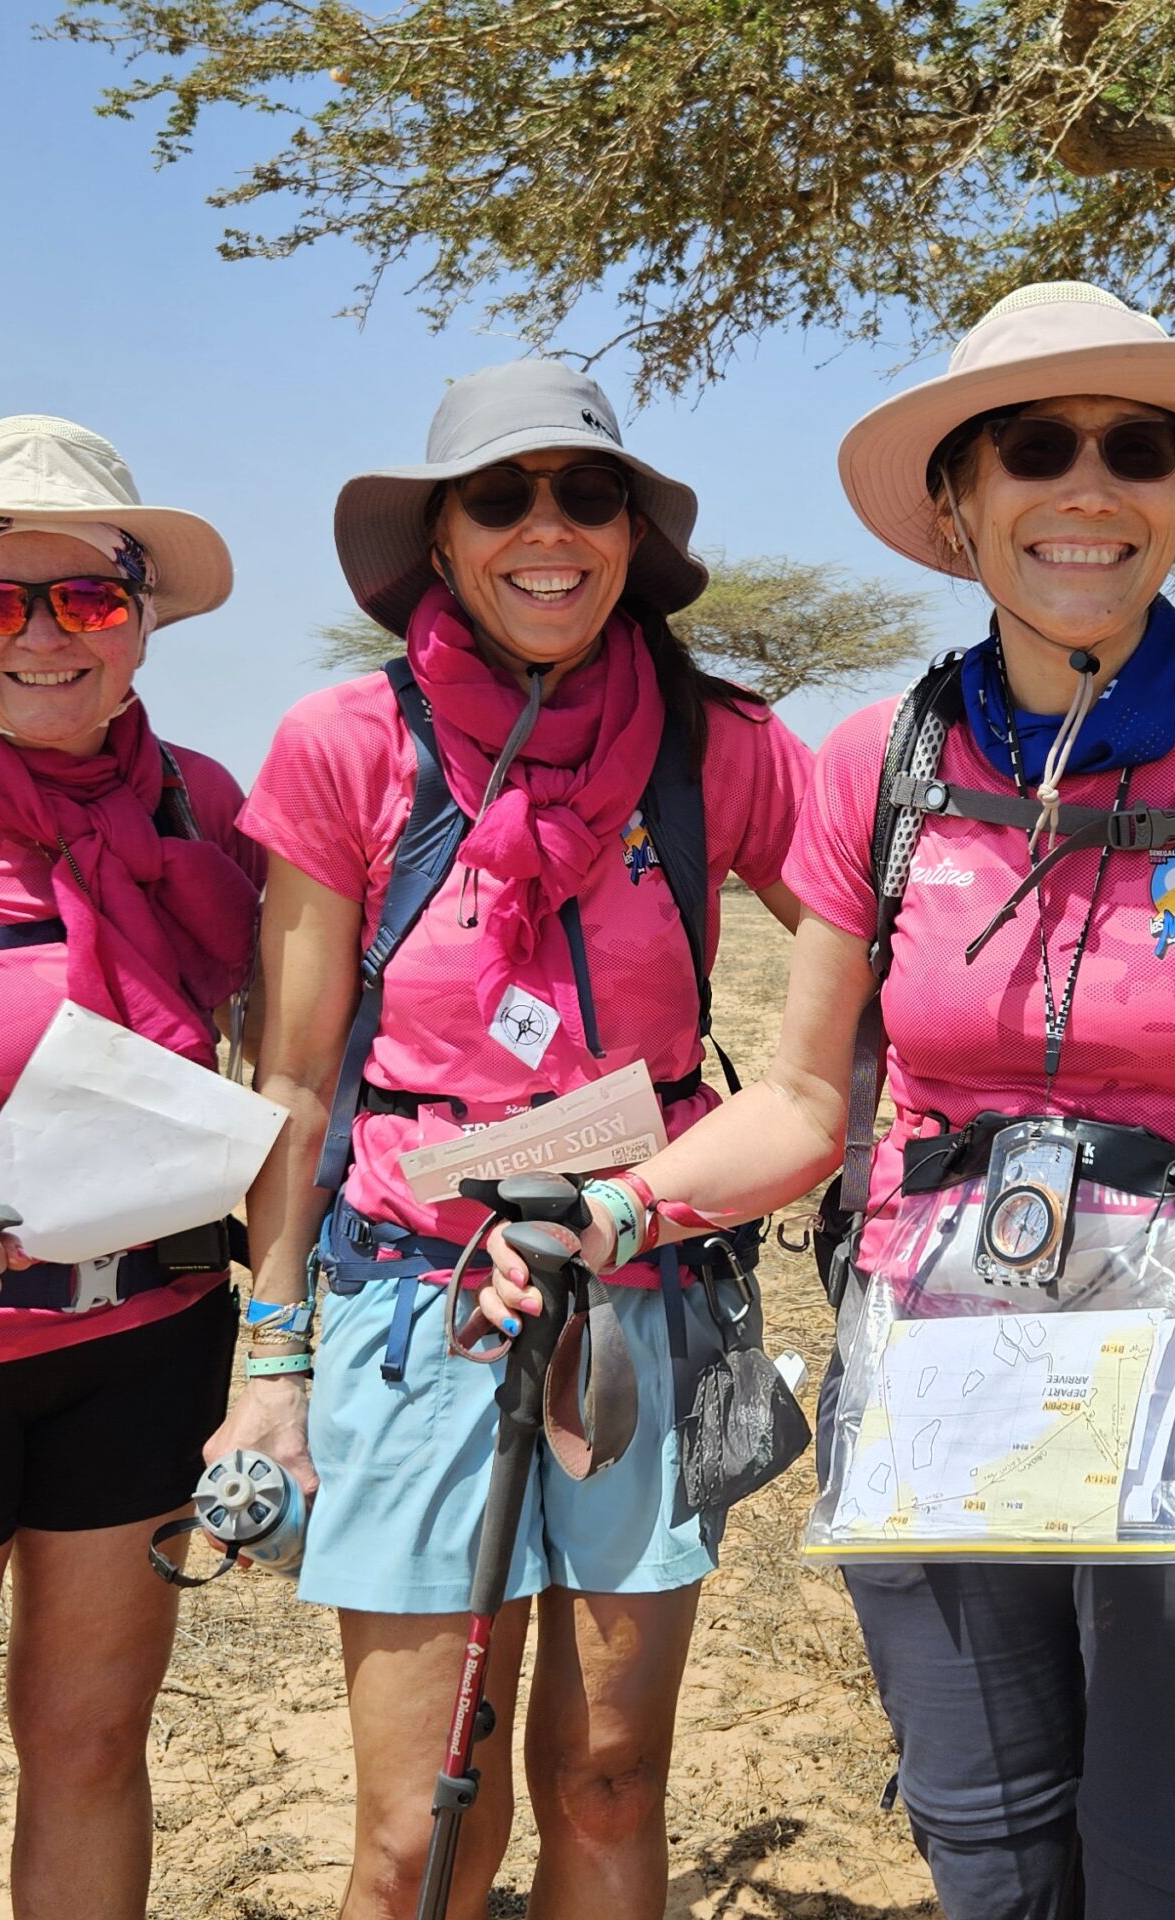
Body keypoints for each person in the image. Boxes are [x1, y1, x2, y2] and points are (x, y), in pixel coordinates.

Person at [484, 283, 1175, 1919]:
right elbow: (809, 1098)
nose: (1087, 489)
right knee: (991, 1866)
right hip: (941, 1405)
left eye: (1136, 450)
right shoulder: (877, 758)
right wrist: (613, 1210)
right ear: (958, 506)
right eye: (1035, 447)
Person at [223, 362, 811, 1918]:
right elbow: (290, 1082)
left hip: (645, 1287)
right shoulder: (346, 744)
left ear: (632, 533)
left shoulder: (722, 751)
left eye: (588, 493)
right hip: (414, 1300)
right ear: (440, 537)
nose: (547, 529)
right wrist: (270, 1352)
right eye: (502, 496)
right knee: (421, 1825)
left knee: (611, 1787)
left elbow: (872, 1000)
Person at [0, 416, 263, 1914]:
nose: (43, 637)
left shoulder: (202, 807)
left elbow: (286, 1055)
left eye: (86, 599)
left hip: (145, 1340)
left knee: (90, 1744)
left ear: (141, 621)